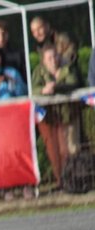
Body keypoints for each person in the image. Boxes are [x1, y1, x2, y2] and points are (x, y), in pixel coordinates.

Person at [32, 44, 83, 188]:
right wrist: (43, 90)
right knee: (53, 151)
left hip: (67, 114)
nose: (53, 60)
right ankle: (60, 181)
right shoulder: (38, 71)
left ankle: (73, 179)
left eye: (55, 56)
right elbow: (33, 89)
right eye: (49, 57)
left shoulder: (68, 68)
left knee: (67, 149)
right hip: (48, 117)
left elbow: (74, 83)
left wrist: (56, 87)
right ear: (43, 60)